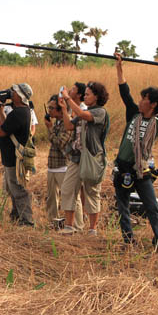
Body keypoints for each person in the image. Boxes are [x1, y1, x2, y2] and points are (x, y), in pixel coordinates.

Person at [112, 53, 158, 250]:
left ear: (153, 104)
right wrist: (119, 67)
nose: (140, 101)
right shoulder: (133, 113)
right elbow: (125, 91)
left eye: (144, 99)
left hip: (141, 170)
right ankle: (128, 240)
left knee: (152, 207)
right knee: (122, 207)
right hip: (122, 167)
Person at [59, 81, 110, 235]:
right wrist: (63, 109)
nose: (85, 97)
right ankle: (69, 226)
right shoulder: (86, 111)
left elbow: (82, 115)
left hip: (91, 157)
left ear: (97, 97)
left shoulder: (100, 112)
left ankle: (92, 229)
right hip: (76, 156)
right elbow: (69, 126)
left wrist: (68, 99)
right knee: (68, 189)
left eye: (88, 94)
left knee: (91, 192)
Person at [0, 83, 34, 226]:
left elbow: (3, 131)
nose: (10, 93)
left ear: (19, 96)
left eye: (13, 91)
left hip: (13, 157)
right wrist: (1, 112)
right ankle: (16, 215)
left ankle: (27, 220)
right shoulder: (22, 110)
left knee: (18, 189)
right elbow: (6, 125)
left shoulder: (19, 113)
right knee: (12, 188)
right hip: (12, 156)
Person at [44, 94, 71, 225]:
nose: (49, 111)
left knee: (68, 197)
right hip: (53, 165)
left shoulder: (67, 123)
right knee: (51, 198)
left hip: (63, 166)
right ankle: (52, 222)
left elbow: (60, 142)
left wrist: (50, 128)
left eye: (52, 108)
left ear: (61, 110)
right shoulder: (57, 123)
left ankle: (74, 223)